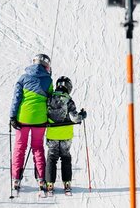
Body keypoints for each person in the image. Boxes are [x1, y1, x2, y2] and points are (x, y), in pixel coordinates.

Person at [9, 53, 53, 193]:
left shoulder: (23, 78)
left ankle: (16, 179)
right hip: (40, 120)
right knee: (38, 147)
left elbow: (16, 98)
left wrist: (12, 116)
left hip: (23, 118)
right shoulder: (48, 81)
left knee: (20, 147)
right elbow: (50, 101)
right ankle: (41, 179)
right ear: (46, 66)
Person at [44, 76, 86, 196]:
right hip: (66, 134)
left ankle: (50, 183)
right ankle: (67, 182)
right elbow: (75, 118)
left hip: (52, 133)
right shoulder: (68, 100)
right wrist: (82, 115)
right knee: (65, 157)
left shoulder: (49, 98)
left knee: (52, 157)